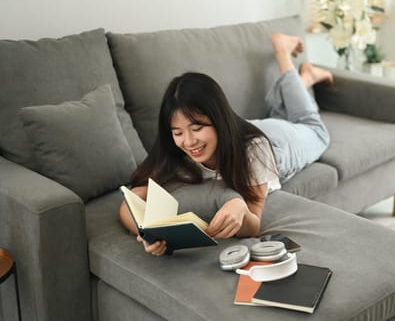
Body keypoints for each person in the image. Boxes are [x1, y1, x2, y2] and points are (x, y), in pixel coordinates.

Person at [119, 33, 333, 256]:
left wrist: (239, 207)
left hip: (278, 145)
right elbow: (131, 201)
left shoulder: (255, 151)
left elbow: (253, 223)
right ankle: (303, 82)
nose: (189, 142)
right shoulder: (176, 150)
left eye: (197, 128)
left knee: (314, 128)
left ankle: (284, 55)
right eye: (178, 132)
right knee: (281, 115)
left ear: (218, 120)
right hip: (244, 129)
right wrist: (148, 233)